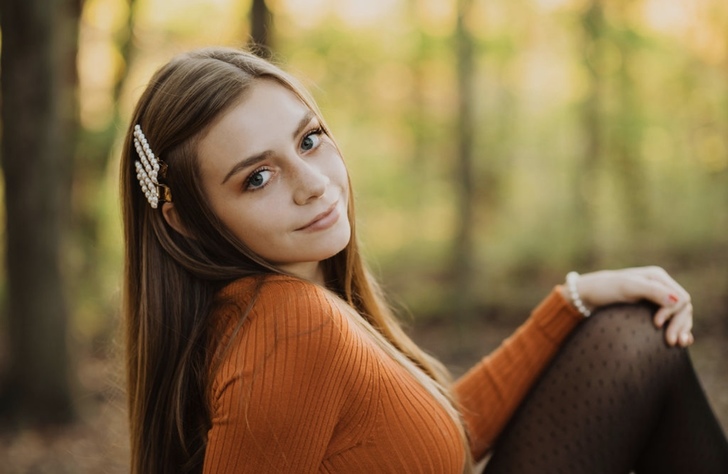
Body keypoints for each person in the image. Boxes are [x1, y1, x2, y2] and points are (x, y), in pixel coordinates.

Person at [120, 47, 728, 474]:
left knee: (628, 332)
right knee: (634, 340)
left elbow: (437, 436)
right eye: (257, 177)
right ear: (187, 219)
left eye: (308, 140)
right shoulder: (287, 327)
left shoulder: (282, 310)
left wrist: (571, 302)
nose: (313, 183)